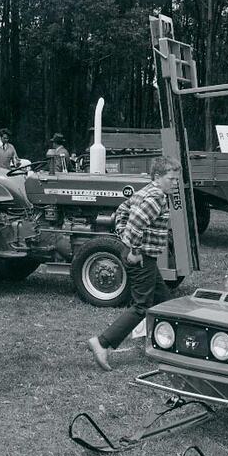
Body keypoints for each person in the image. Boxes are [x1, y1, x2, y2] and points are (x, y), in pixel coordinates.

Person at [87, 156, 181, 370]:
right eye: (171, 179)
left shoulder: (146, 190)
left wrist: (124, 238)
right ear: (158, 177)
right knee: (141, 306)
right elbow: (136, 223)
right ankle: (102, 343)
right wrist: (135, 250)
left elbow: (121, 211)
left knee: (164, 302)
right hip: (141, 258)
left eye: (176, 179)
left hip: (140, 255)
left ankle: (163, 345)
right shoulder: (157, 196)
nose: (175, 183)